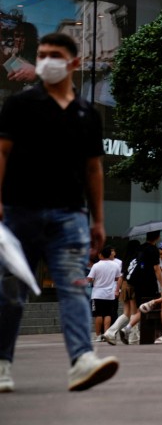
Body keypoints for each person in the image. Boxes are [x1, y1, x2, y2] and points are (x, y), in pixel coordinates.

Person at [0, 32, 119, 392]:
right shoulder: (21, 106)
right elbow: (2, 153)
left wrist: (97, 219)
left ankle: (82, 359)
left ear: (74, 63)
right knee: (9, 291)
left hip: (70, 216)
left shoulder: (86, 113)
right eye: (42, 55)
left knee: (75, 287)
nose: (46, 60)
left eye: (55, 54)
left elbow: (93, 170)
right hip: (19, 212)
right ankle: (2, 363)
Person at [105, 230, 162, 346]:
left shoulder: (127, 259)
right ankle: (132, 336)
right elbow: (153, 268)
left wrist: (117, 289)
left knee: (127, 313)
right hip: (134, 285)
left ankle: (114, 333)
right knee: (133, 312)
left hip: (126, 284)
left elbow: (123, 275)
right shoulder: (140, 254)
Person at [86, 246, 121, 342]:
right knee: (108, 314)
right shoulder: (115, 265)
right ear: (110, 254)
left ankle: (98, 335)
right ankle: (106, 334)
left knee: (98, 315)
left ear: (101, 255)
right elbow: (118, 278)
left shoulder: (96, 265)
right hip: (110, 294)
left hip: (97, 294)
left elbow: (89, 279)